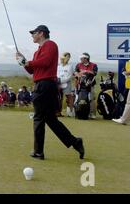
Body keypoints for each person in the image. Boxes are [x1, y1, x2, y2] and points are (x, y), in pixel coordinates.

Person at [16, 25, 85, 160]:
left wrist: (28, 62)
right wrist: (23, 62)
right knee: (50, 120)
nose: (32, 35)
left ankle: (38, 152)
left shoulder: (50, 45)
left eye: (34, 33)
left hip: (45, 85)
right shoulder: (37, 51)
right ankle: (75, 142)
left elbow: (45, 62)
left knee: (38, 118)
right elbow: (32, 70)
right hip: (43, 85)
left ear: (41, 33)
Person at [74, 53, 98, 119]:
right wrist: (78, 75)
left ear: (86, 58)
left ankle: (92, 113)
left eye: (82, 58)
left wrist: (85, 71)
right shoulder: (78, 65)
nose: (80, 59)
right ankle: (77, 111)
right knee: (77, 98)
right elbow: (76, 72)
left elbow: (94, 73)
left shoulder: (93, 65)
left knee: (91, 98)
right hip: (80, 84)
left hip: (90, 84)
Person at [58, 52, 75, 117]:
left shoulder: (70, 66)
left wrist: (61, 81)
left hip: (66, 84)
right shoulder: (58, 66)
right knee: (59, 98)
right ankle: (58, 112)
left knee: (69, 98)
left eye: (68, 58)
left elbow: (69, 77)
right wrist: (58, 81)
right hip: (58, 84)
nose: (66, 59)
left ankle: (71, 112)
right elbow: (57, 75)